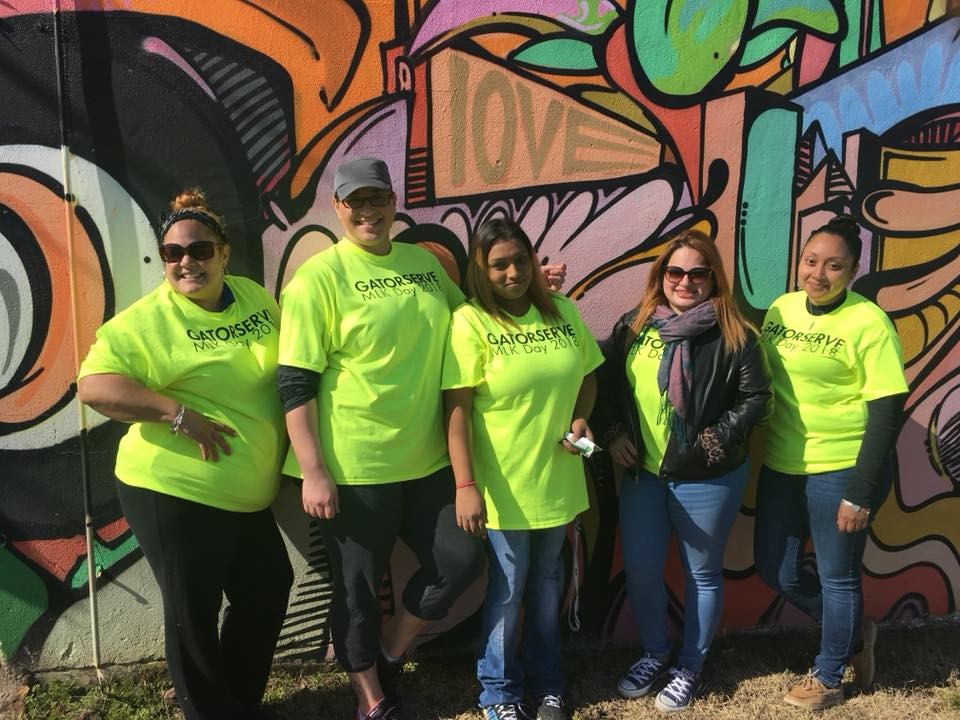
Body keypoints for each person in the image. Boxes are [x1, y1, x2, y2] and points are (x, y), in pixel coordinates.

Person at [77, 189, 293, 720]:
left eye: (199, 250)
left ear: (224, 253)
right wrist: (176, 413)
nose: (186, 263)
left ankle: (236, 705)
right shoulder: (150, 321)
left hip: (243, 493)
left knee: (267, 588)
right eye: (173, 254)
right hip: (173, 490)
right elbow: (94, 386)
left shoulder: (253, 298)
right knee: (192, 616)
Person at [594, 229, 771, 713]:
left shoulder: (734, 333)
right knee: (643, 572)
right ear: (661, 275)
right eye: (675, 271)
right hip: (643, 477)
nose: (685, 281)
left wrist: (715, 439)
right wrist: (610, 434)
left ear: (713, 277)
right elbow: (606, 385)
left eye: (698, 272)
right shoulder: (634, 326)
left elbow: (757, 399)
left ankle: (690, 665)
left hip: (707, 478)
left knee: (702, 576)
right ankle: (655, 652)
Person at [441, 218, 603, 720]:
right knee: (509, 590)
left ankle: (548, 684)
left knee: (548, 581)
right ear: (481, 270)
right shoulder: (470, 321)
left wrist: (581, 419)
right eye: (498, 264)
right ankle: (500, 694)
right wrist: (465, 485)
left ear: (533, 261)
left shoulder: (564, 313)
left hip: (558, 480)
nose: (512, 272)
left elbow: (589, 375)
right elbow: (457, 410)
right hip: (502, 487)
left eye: (519, 260)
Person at [754, 215, 908, 710]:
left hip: (841, 465)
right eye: (810, 260)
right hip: (783, 461)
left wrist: (859, 492)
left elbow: (887, 409)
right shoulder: (781, 309)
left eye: (833, 265)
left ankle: (828, 678)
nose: (818, 274)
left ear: (853, 269)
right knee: (775, 568)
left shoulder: (868, 322)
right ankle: (855, 636)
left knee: (839, 576)